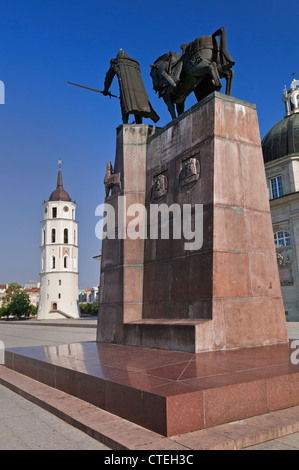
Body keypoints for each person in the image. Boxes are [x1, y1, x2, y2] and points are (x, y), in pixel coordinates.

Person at [102, 49, 159, 124]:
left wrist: (105, 90)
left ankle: (125, 122)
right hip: (140, 91)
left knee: (125, 100)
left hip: (126, 90)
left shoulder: (116, 62)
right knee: (137, 102)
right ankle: (139, 123)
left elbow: (109, 78)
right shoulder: (134, 65)